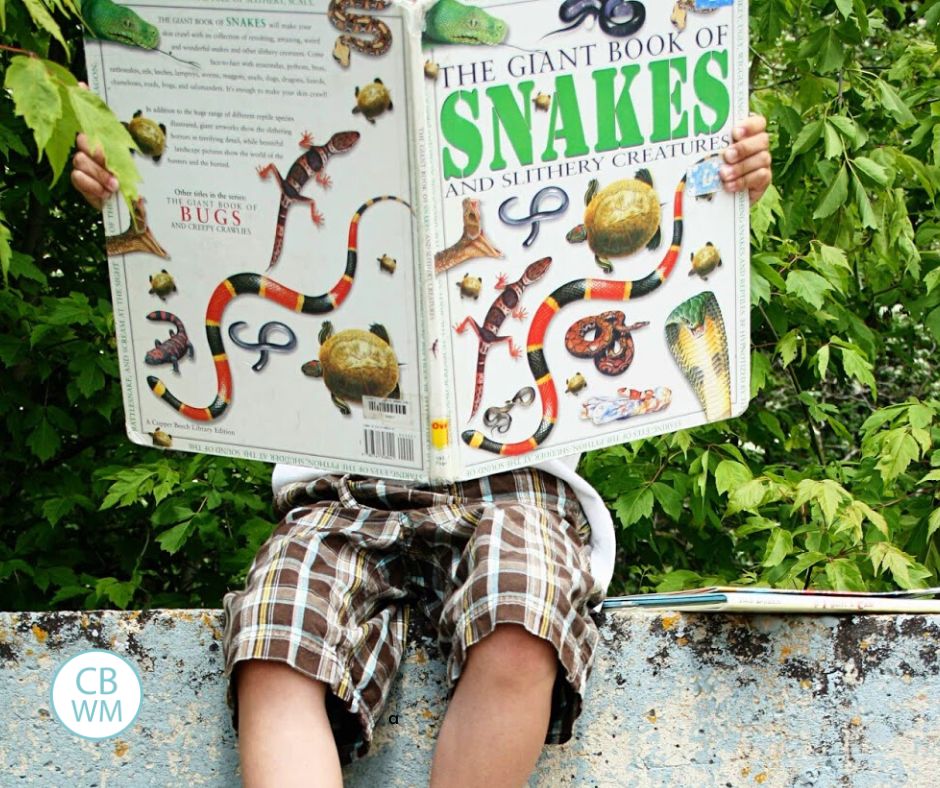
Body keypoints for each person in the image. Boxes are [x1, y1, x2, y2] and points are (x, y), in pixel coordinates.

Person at [73, 115, 771, 787]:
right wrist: (130, 187)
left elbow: (663, 229)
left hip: (514, 476)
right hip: (337, 478)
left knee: (524, 601)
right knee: (274, 628)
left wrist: (720, 180)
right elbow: (209, 221)